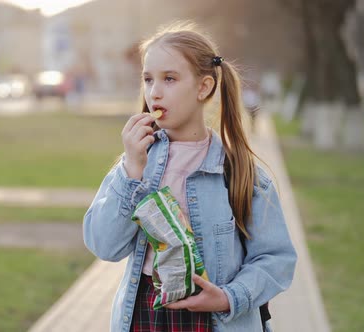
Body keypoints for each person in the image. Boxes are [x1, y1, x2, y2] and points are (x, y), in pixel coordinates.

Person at [83, 21, 296, 332]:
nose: (154, 92)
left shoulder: (239, 173)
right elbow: (105, 246)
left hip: (215, 321)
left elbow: (276, 260)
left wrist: (227, 297)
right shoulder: (135, 164)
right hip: (147, 315)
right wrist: (131, 169)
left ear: (203, 87)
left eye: (169, 79)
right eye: (148, 79)